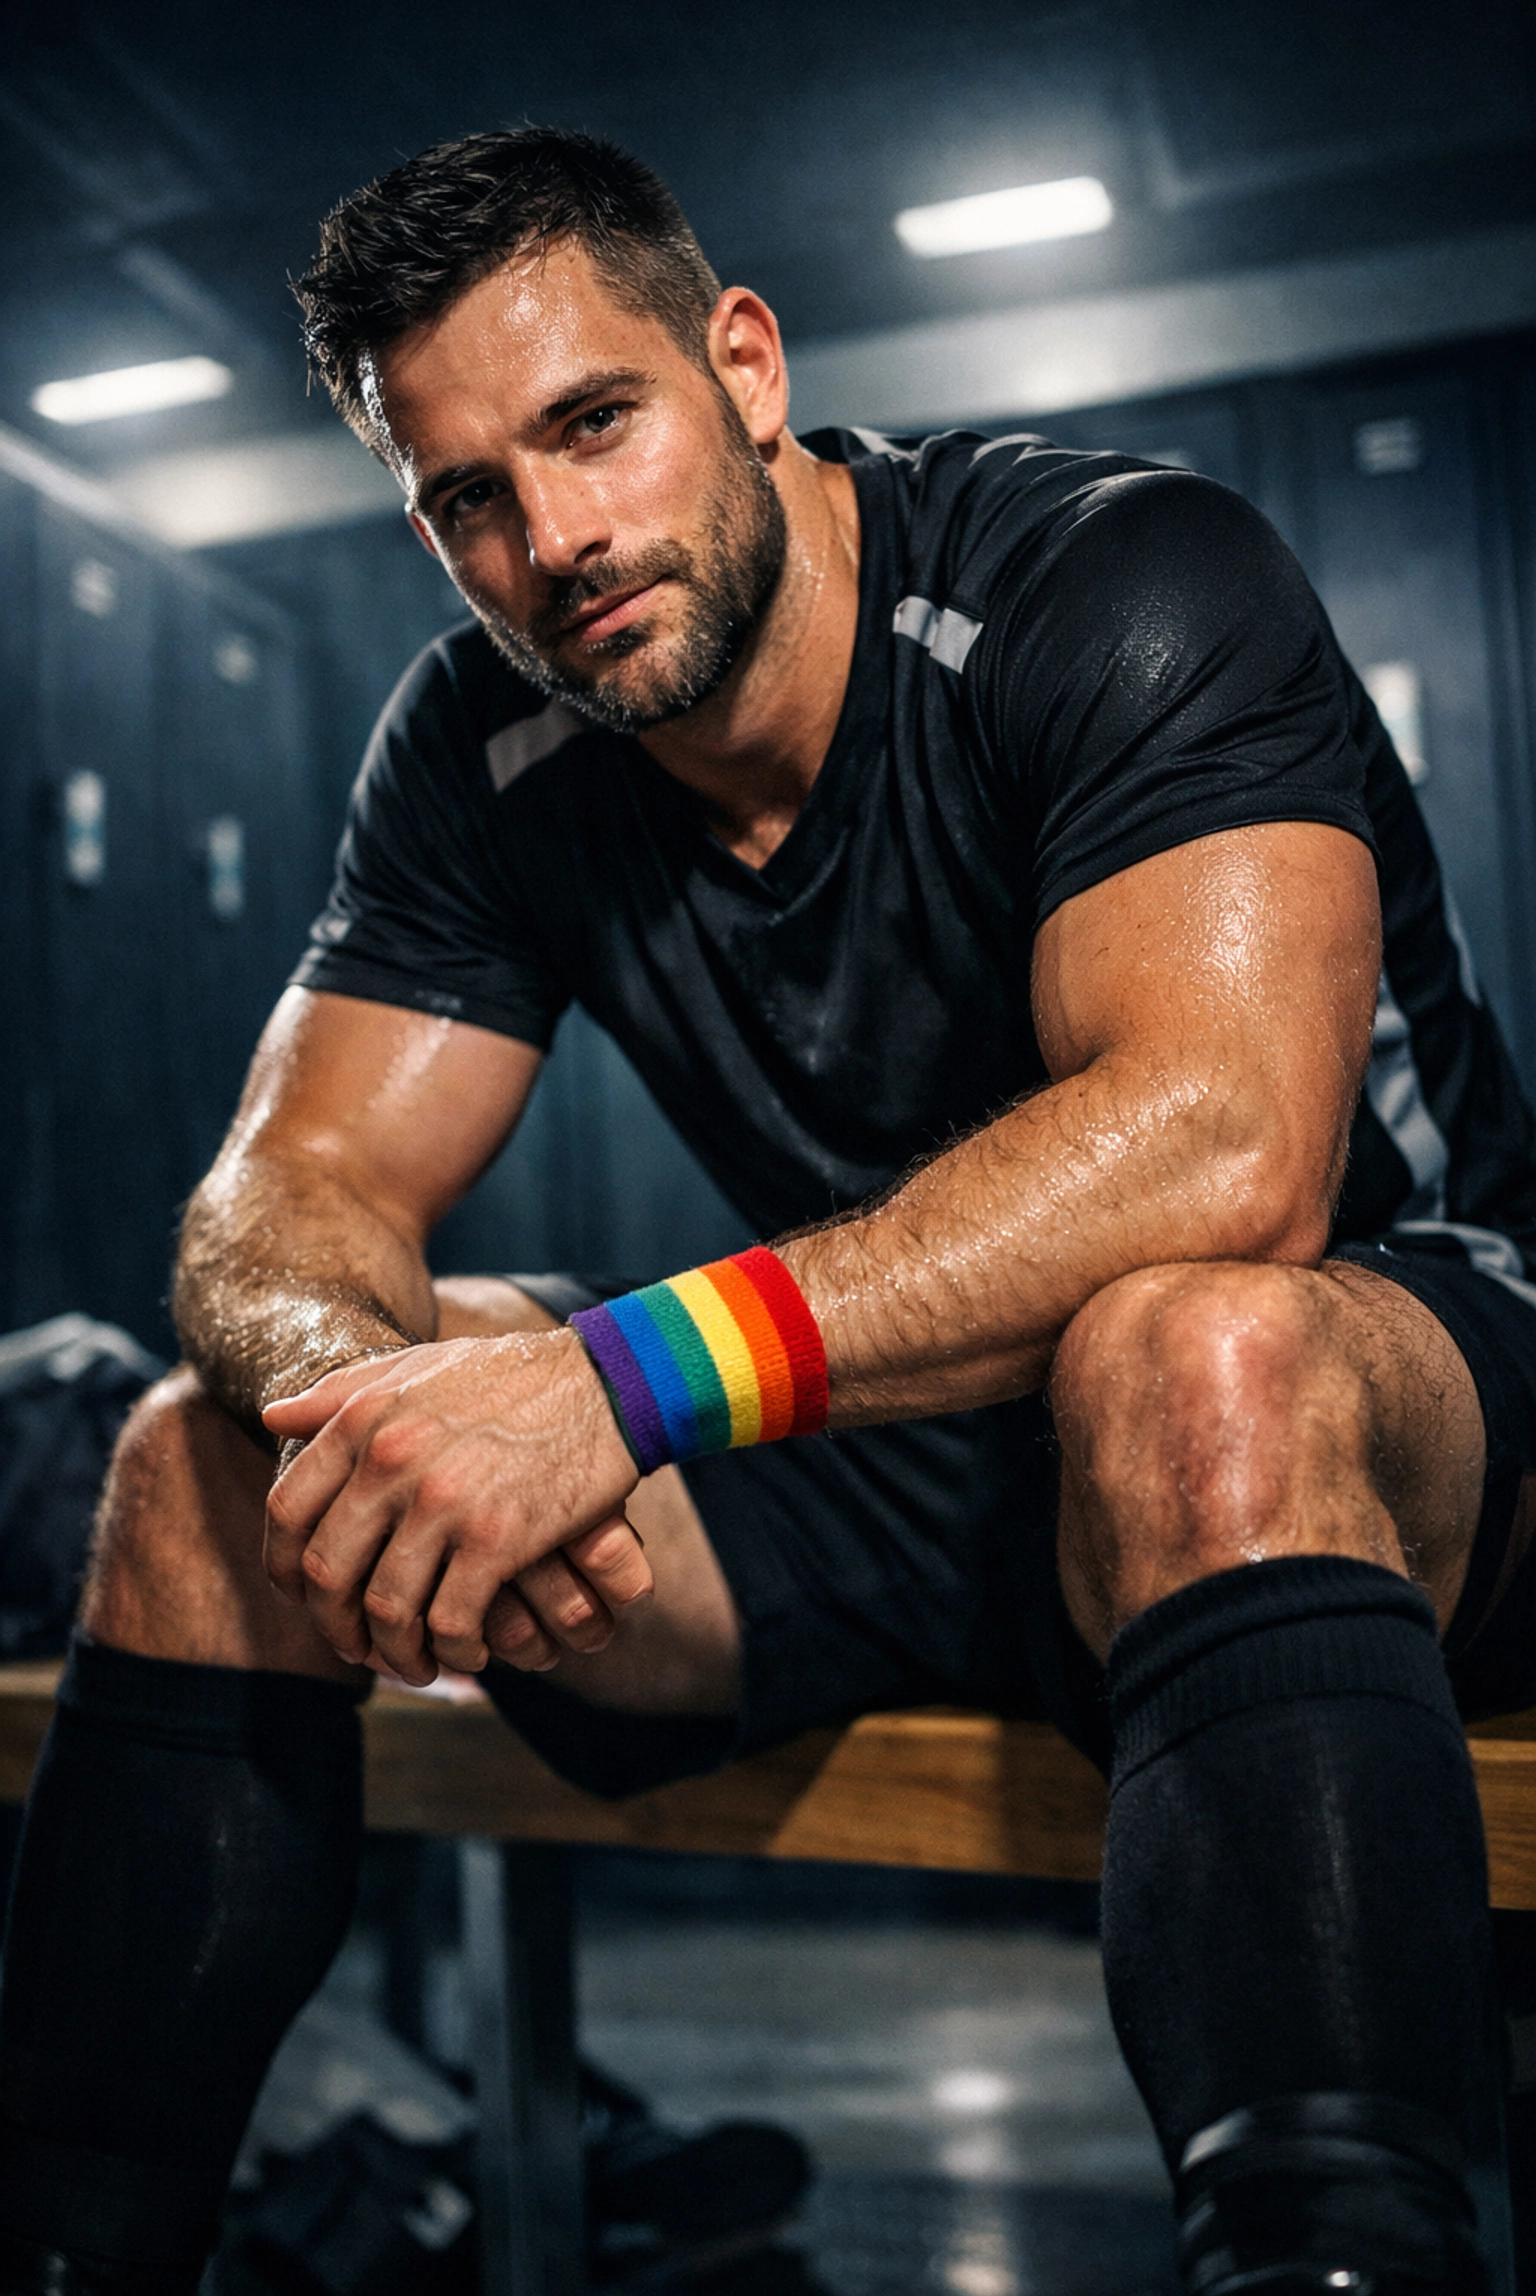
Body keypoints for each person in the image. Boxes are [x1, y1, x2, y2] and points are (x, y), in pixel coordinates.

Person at [2, 124, 1534, 2296]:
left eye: (591, 421)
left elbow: (1229, 1152)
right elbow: (299, 1186)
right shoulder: (478, 750)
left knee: (1193, 1343)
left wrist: (610, 1383)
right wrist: (381, 1424)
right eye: (465, 501)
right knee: (203, 1461)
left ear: (742, 360)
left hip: (1372, 1406)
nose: (553, 539)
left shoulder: (1109, 575)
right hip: (899, 1453)